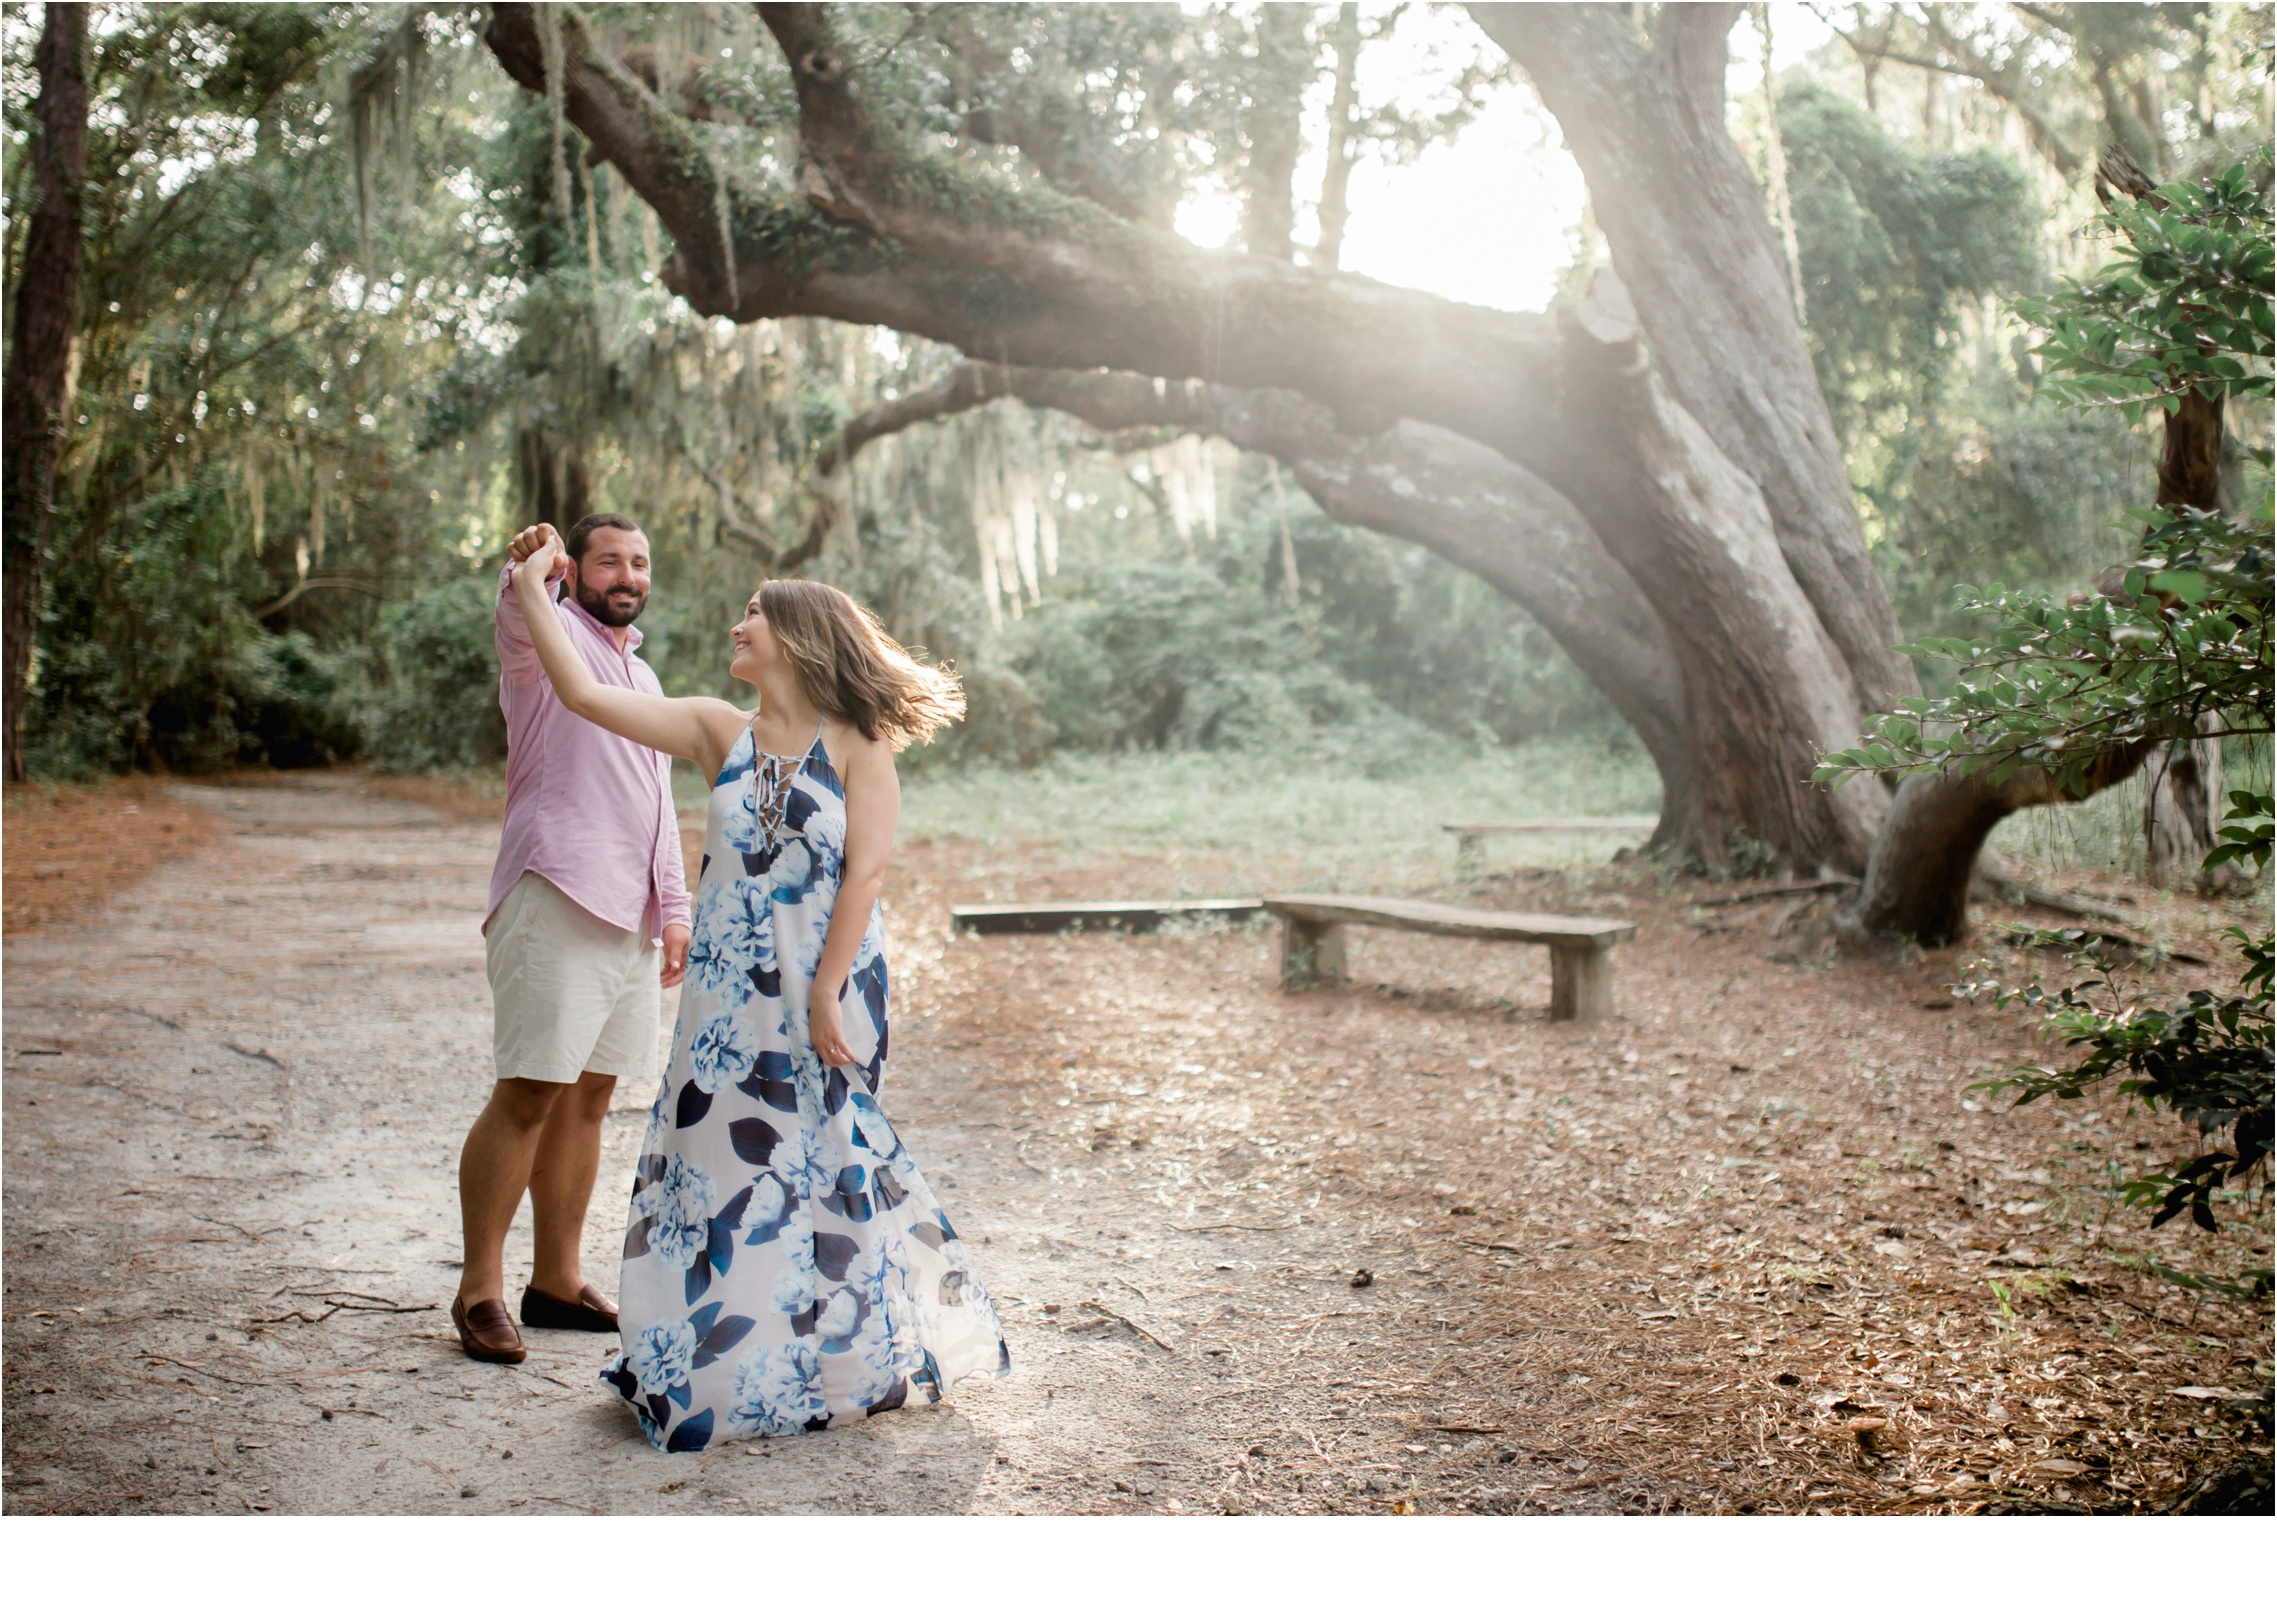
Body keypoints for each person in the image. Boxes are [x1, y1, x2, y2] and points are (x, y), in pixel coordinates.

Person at [507, 525, 1009, 1450]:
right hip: (726, 996)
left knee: (823, 1160)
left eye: (751, 615)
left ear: (797, 636)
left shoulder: (859, 744)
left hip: (829, 979)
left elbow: (864, 877)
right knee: (719, 1170)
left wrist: (825, 992)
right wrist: (531, 588)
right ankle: (713, 1365)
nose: (736, 627)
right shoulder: (714, 731)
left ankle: (841, 1359)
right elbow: (579, 694)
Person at [451, 514, 692, 1365]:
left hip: (629, 916)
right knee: (528, 1094)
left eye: (640, 560)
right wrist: (531, 570)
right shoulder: (544, 642)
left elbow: (657, 802)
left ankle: (554, 1280)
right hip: (554, 891)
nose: (627, 573)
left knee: (589, 1099)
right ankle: (479, 1288)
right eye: (608, 560)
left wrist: (674, 909)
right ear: (577, 571)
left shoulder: (647, 674)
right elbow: (519, 614)